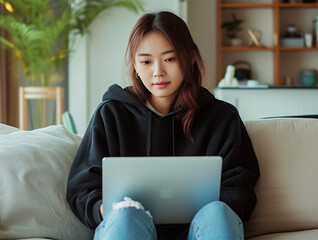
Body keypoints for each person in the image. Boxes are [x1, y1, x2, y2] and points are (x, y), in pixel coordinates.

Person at [67, 11, 259, 240]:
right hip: (130, 228)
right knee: (126, 217)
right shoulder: (111, 114)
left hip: (199, 229)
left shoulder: (222, 117)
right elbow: (82, 188)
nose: (158, 72)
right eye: (146, 62)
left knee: (217, 213)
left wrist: (209, 209)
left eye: (169, 59)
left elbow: (240, 186)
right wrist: (109, 208)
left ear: (189, 57)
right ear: (135, 66)